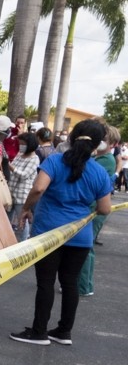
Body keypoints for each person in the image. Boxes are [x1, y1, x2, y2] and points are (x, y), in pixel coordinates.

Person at [10, 120, 113, 345]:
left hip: (49, 231)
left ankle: (39, 332)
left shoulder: (55, 161)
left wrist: (26, 209)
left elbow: (38, 188)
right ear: (97, 144)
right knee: (70, 282)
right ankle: (64, 331)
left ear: (72, 136)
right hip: (80, 236)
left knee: (45, 282)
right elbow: (105, 208)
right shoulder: (99, 172)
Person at [77, 124, 119, 295]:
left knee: (86, 247)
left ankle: (83, 286)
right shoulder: (100, 159)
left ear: (112, 144)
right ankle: (84, 284)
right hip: (92, 207)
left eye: (104, 140)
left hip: (95, 208)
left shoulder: (105, 160)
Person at [8, 132, 41, 241]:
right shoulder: (19, 155)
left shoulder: (34, 159)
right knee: (6, 219)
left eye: (23, 144)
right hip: (11, 192)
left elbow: (24, 175)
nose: (20, 146)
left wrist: (11, 167)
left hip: (22, 196)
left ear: (30, 144)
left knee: (22, 221)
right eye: (20, 143)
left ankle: (23, 242)